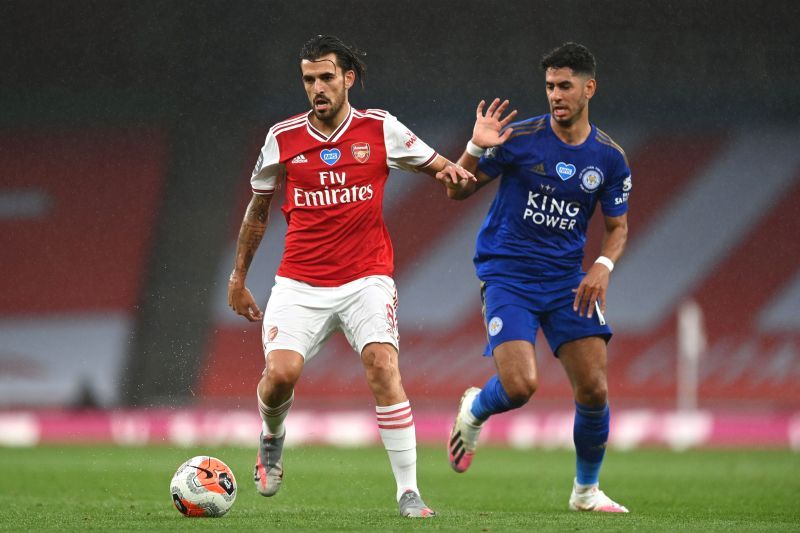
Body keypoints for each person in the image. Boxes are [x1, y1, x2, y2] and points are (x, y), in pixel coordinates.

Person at [227, 34, 473, 518]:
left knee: (383, 367)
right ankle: (272, 438)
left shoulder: (381, 129)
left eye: (325, 77)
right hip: (299, 282)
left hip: (366, 278)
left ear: (348, 78)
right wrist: (238, 278)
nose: (316, 88)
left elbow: (450, 178)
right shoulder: (283, 138)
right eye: (308, 79)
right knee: (279, 377)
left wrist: (474, 151)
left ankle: (409, 492)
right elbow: (258, 210)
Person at [444, 42, 631, 513]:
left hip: (568, 279)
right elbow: (456, 193)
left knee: (594, 388)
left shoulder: (609, 159)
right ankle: (474, 410)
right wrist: (472, 149)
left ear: (590, 88)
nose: (555, 95)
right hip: (507, 274)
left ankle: (585, 492)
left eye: (565, 86)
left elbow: (617, 227)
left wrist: (602, 267)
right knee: (521, 386)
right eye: (549, 86)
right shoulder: (519, 138)